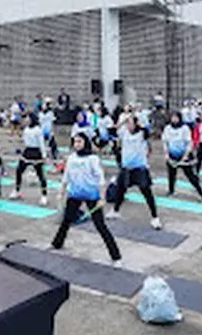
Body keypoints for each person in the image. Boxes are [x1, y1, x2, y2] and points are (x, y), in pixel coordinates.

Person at [50, 134, 122, 267]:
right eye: (75, 142)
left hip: (91, 196)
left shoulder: (92, 159)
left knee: (100, 226)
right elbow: (66, 176)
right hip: (75, 194)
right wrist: (61, 192)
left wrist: (102, 198)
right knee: (66, 221)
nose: (77, 144)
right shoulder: (71, 158)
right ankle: (57, 244)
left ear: (85, 143)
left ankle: (116, 256)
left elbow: (100, 179)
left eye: (79, 141)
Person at [109, 114, 162, 229]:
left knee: (147, 192)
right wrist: (123, 121)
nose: (128, 125)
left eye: (130, 123)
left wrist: (137, 121)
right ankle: (115, 211)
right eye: (127, 123)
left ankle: (155, 217)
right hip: (126, 168)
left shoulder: (141, 134)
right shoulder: (124, 132)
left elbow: (148, 131)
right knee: (120, 190)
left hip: (140, 169)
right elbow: (112, 131)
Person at [162, 111, 202, 200]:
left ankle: (201, 193)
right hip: (172, 155)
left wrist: (186, 155)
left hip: (184, 155)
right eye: (172, 117)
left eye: (176, 117)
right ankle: (171, 190)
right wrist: (166, 154)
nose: (174, 119)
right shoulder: (167, 128)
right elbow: (165, 142)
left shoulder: (185, 128)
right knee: (171, 174)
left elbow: (189, 142)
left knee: (190, 176)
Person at [13, 114, 50, 206]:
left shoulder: (38, 130)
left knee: (40, 174)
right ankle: (17, 190)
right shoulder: (26, 129)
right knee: (18, 170)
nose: (26, 120)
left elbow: (41, 143)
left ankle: (44, 196)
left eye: (28, 118)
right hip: (27, 152)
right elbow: (24, 141)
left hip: (36, 152)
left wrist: (44, 156)